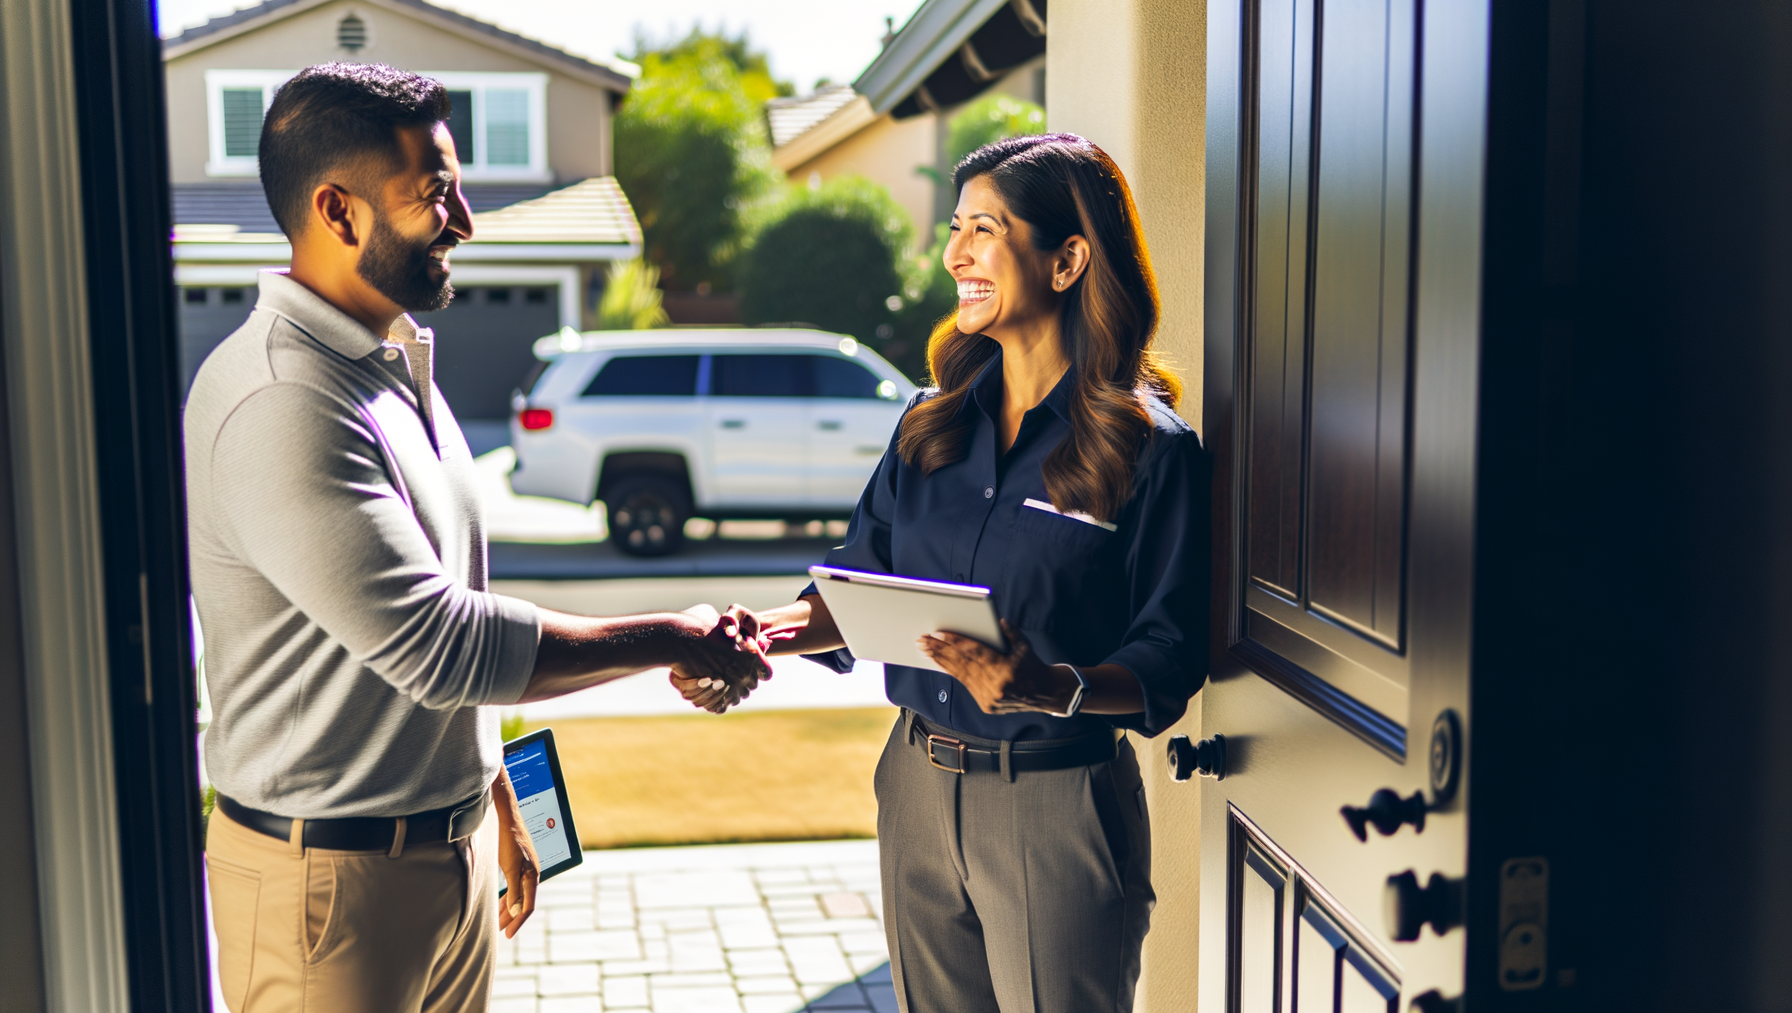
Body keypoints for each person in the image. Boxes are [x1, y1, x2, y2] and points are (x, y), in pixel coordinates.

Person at [185, 63, 769, 1013]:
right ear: (339, 213)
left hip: (442, 858)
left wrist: (493, 792)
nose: (463, 219)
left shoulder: (392, 364)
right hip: (327, 893)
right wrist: (672, 635)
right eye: (434, 195)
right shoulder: (283, 400)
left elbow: (450, 603)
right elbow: (440, 643)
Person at [704, 133, 1210, 1013]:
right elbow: (858, 581)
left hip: (1056, 803)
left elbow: (1170, 651)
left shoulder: (1151, 453)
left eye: (985, 227)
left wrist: (1051, 686)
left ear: (1068, 261)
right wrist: (758, 635)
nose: (954, 253)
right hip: (915, 786)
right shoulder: (928, 427)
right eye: (955, 227)